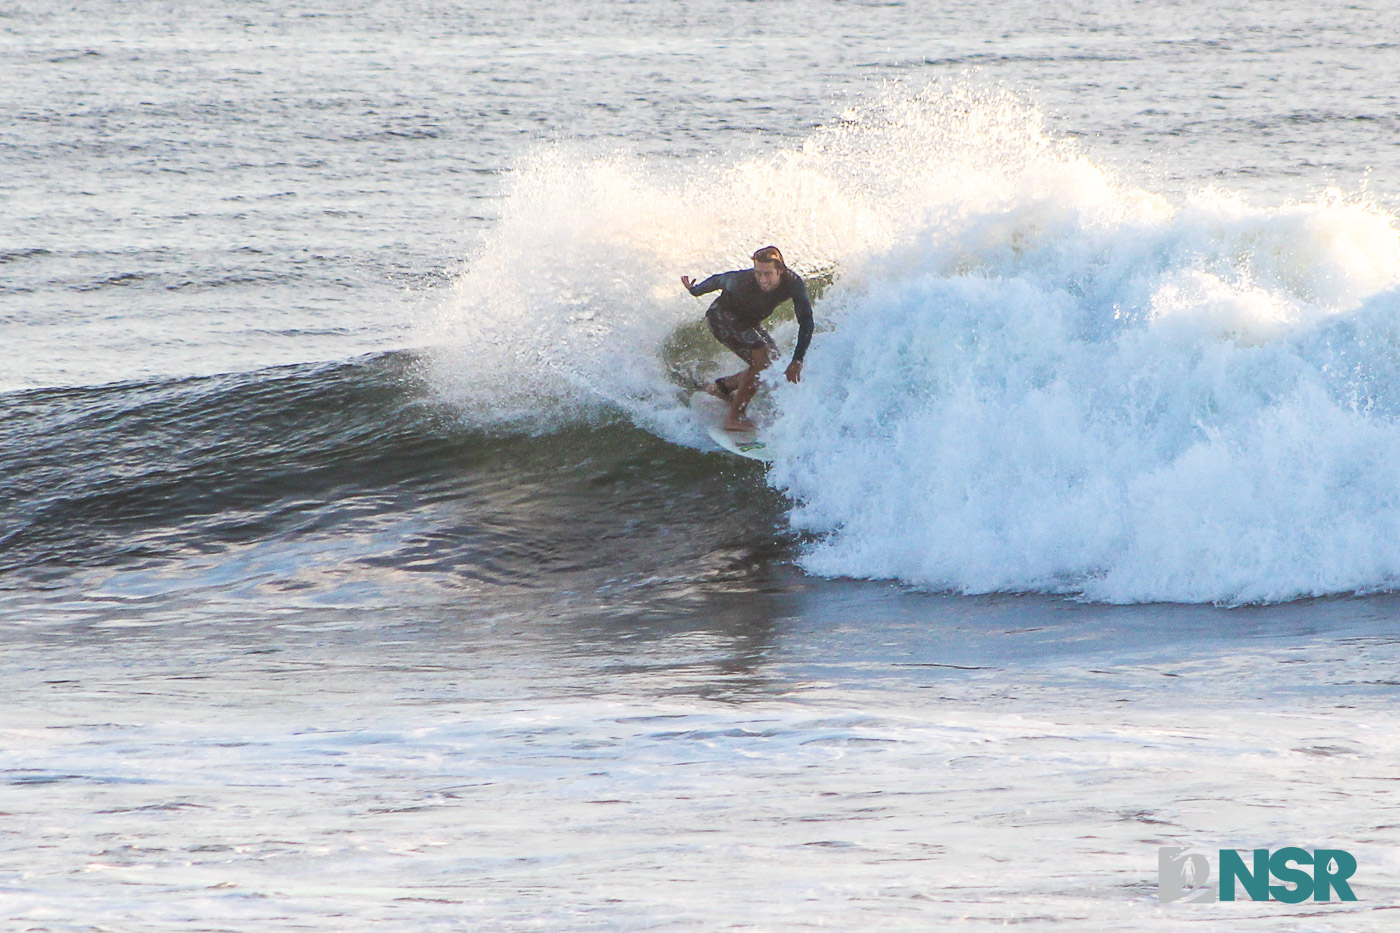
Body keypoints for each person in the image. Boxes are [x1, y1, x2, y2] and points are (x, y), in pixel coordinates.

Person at [681, 245, 814, 431]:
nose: (762, 279)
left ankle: (722, 388)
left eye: (768, 274)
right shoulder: (741, 280)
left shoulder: (793, 283)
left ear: (780, 271)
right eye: (758, 273)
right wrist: (695, 290)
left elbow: (806, 321)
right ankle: (734, 418)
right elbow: (719, 280)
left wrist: (797, 359)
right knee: (760, 358)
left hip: (748, 323)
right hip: (721, 317)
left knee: (772, 363)